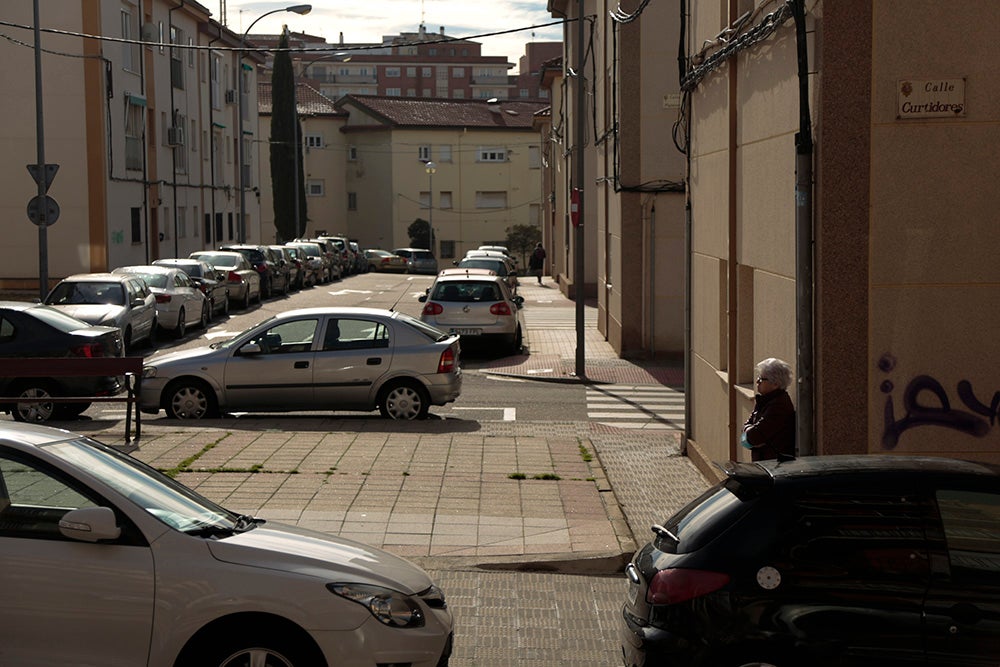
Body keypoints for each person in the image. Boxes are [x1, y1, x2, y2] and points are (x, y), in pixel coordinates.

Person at [741, 357, 796, 461]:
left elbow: (753, 437)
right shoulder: (765, 401)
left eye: (761, 379)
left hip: (773, 464)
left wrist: (749, 435)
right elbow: (745, 432)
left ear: (775, 384)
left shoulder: (778, 406)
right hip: (764, 462)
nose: (757, 381)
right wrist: (748, 432)